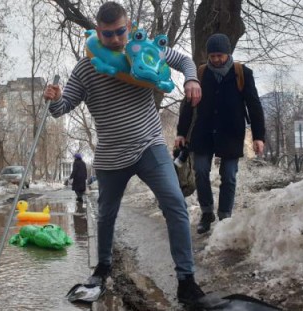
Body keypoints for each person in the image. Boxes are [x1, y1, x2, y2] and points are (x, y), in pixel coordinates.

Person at [43, 1, 207, 306]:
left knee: (174, 203)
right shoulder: (85, 68)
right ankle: (102, 269)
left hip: (150, 145)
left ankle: (186, 280)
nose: (116, 39)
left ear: (128, 27)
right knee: (106, 214)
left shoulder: (142, 51)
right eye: (108, 34)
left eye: (120, 31)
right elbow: (62, 108)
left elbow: (183, 60)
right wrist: (52, 100)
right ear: (98, 33)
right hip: (111, 155)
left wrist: (192, 78)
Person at [175, 33, 265, 234]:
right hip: (203, 131)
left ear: (227, 54)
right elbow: (188, 105)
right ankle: (207, 212)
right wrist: (181, 132)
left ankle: (225, 216)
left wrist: (259, 136)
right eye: (212, 56)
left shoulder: (242, 73)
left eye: (219, 55)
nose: (215, 59)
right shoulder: (200, 73)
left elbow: (254, 105)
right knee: (200, 171)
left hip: (231, 132)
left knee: (229, 175)